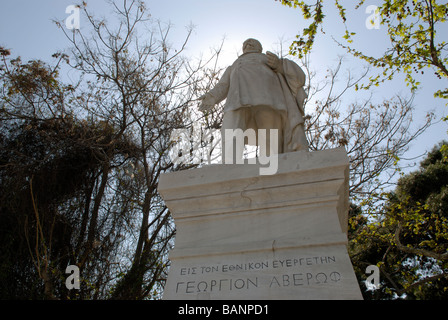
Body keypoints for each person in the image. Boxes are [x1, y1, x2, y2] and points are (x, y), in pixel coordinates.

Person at [199, 38, 309, 161]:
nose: (248, 44)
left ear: (259, 48)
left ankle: (271, 171)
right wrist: (211, 97)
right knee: (230, 133)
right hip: (236, 102)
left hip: (269, 100)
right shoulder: (234, 65)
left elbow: (299, 77)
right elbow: (223, 85)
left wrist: (280, 65)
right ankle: (228, 169)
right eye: (245, 43)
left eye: (252, 42)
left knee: (270, 140)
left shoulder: (268, 59)